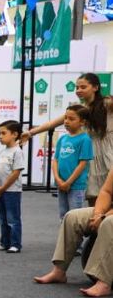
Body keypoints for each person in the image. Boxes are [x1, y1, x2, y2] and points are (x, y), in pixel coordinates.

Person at [23, 73, 113, 206]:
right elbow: (52, 123)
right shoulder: (80, 110)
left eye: (83, 87)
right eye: (77, 87)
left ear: (95, 87)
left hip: (107, 153)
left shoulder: (107, 103)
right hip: (90, 154)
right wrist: (30, 133)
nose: (78, 90)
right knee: (93, 198)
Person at [34, 169, 113, 297]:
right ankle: (59, 271)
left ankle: (104, 283)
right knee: (72, 217)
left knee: (109, 223)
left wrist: (103, 217)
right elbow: (106, 191)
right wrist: (98, 214)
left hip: (110, 216)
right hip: (108, 211)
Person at [52, 105, 94, 219]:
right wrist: (58, 179)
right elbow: (55, 160)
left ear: (82, 122)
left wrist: (68, 182)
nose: (66, 121)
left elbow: (82, 164)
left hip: (75, 185)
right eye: (65, 118)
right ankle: (65, 237)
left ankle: (75, 237)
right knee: (63, 215)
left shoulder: (85, 139)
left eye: (71, 119)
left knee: (74, 216)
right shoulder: (62, 139)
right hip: (61, 184)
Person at [0, 120, 25, 253]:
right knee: (2, 219)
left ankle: (15, 244)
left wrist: (3, 188)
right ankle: (4, 242)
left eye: (3, 133)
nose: (0, 136)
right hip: (0, 191)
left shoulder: (17, 152)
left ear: (15, 134)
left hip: (12, 191)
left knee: (13, 219)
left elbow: (16, 173)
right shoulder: (2, 152)